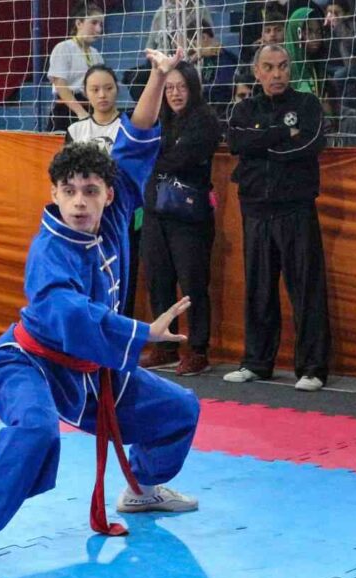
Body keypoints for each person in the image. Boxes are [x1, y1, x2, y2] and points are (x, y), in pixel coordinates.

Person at [0, 48, 200, 578]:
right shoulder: (49, 252)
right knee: (36, 434)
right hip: (27, 363)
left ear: (109, 195)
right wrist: (141, 332)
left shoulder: (117, 209)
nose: (80, 202)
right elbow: (65, 312)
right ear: (54, 194)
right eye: (70, 192)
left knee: (180, 411)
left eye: (90, 191)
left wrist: (157, 75)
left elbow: (138, 138)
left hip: (91, 371)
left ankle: (140, 489)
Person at [225, 44, 330, 392]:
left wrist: (261, 143)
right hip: (255, 209)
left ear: (291, 69)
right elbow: (237, 142)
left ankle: (312, 368)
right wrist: (284, 133)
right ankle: (257, 362)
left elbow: (311, 144)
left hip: (295, 208)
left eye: (283, 66)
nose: (277, 74)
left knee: (306, 289)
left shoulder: (307, 104)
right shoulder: (245, 107)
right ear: (257, 73)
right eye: (269, 67)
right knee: (258, 290)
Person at [140, 61, 220, 376]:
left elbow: (181, 159)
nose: (175, 93)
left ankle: (198, 349)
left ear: (193, 88)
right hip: (154, 212)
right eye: (169, 87)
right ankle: (165, 345)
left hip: (189, 216)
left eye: (181, 87)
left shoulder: (205, 120)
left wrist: (152, 160)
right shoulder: (160, 119)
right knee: (158, 281)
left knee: (193, 285)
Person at [64, 65, 143, 321]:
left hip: (123, 218)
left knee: (121, 278)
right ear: (85, 93)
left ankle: (119, 337)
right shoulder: (77, 131)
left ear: (117, 90)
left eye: (108, 88)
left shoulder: (130, 127)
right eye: (95, 89)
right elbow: (65, 176)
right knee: (87, 276)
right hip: (84, 221)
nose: (102, 95)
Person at [46, 2, 105, 132]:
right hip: (67, 109)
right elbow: (60, 84)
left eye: (101, 24)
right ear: (79, 23)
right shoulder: (64, 48)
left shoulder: (96, 55)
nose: (98, 29)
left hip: (91, 107)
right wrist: (81, 113)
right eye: (94, 23)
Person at [284, 5, 326, 97]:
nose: (315, 38)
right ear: (296, 33)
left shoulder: (319, 65)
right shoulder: (284, 67)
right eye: (308, 32)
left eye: (318, 32)